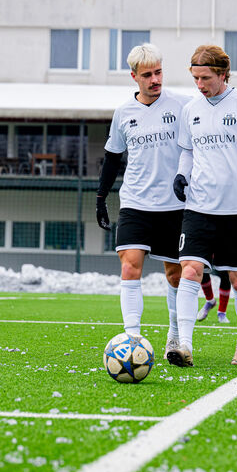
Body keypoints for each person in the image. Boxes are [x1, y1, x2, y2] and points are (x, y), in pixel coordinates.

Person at [169, 44, 237, 367]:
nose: (199, 85)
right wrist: (180, 175)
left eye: (205, 77)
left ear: (223, 74)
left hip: (236, 209)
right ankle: (183, 346)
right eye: (195, 78)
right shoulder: (191, 109)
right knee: (189, 269)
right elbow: (187, 151)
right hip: (198, 206)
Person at [96, 43, 191, 359]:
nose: (155, 79)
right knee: (130, 266)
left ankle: (175, 338)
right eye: (148, 74)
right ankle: (132, 340)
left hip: (175, 204)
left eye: (159, 72)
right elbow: (112, 158)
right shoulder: (124, 113)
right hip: (135, 201)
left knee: (175, 274)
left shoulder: (182, 106)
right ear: (134, 77)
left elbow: (212, 115)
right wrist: (100, 197)